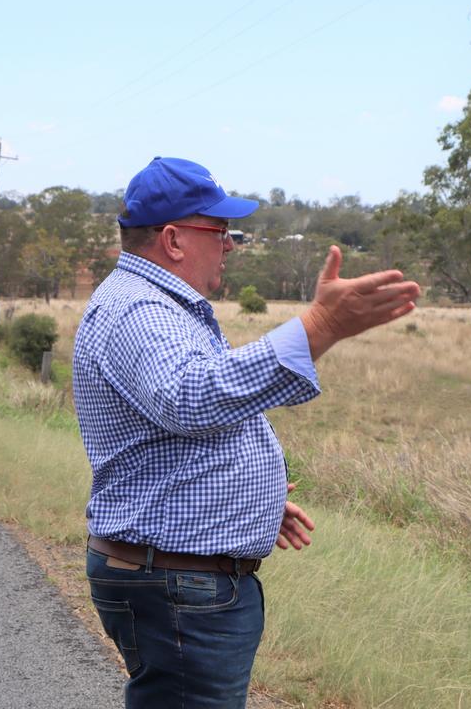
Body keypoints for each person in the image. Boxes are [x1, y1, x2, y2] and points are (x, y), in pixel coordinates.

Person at [73, 156, 420, 707]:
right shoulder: (141, 308)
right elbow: (191, 397)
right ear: (174, 240)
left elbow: (170, 428)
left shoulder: (156, 304)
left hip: (176, 575)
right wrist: (320, 327)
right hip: (179, 584)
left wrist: (243, 501)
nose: (231, 243)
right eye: (220, 230)